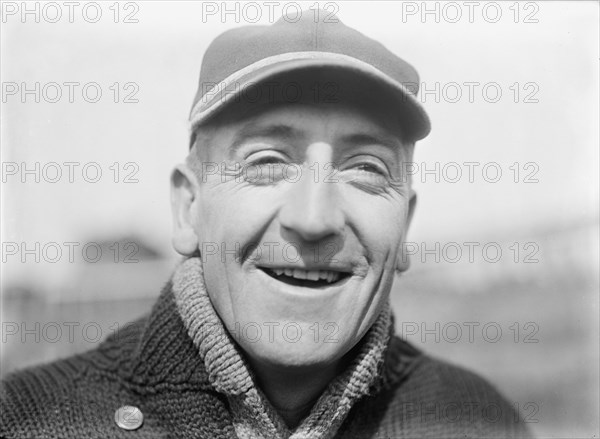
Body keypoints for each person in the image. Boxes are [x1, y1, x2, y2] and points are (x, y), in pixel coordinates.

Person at [1, 11, 532, 439]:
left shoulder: (481, 419)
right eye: (267, 162)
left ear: (406, 227)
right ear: (189, 208)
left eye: (366, 169)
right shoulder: (25, 421)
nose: (313, 218)